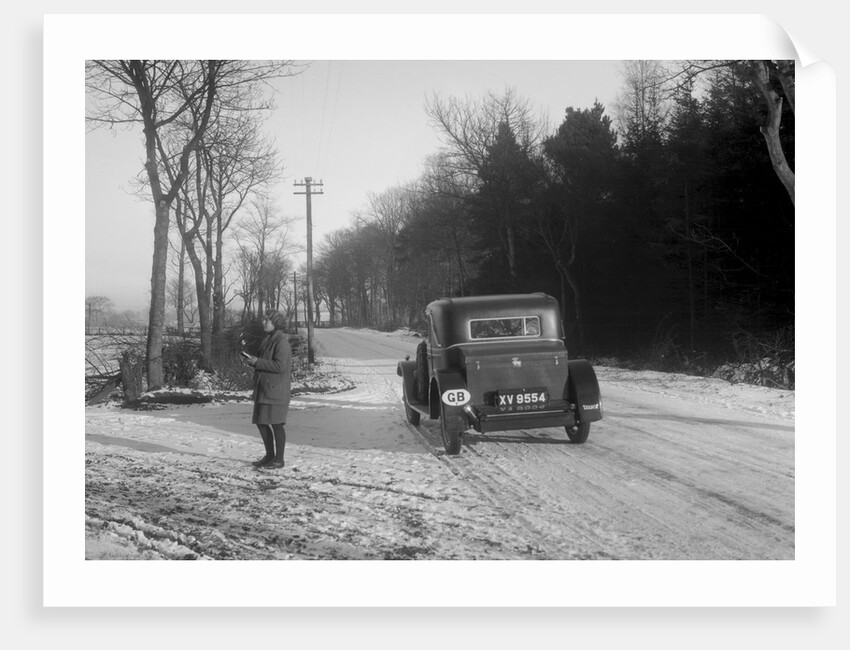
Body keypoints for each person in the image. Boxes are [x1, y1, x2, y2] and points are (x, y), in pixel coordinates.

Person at [242, 310, 292, 470]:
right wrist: (252, 361)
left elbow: (280, 366)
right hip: (265, 389)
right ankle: (270, 456)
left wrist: (257, 362)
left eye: (267, 320)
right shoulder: (269, 339)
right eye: (264, 319)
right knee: (261, 423)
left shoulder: (281, 342)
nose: (263, 322)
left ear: (275, 322)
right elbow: (267, 362)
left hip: (276, 391)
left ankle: (279, 460)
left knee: (276, 424)